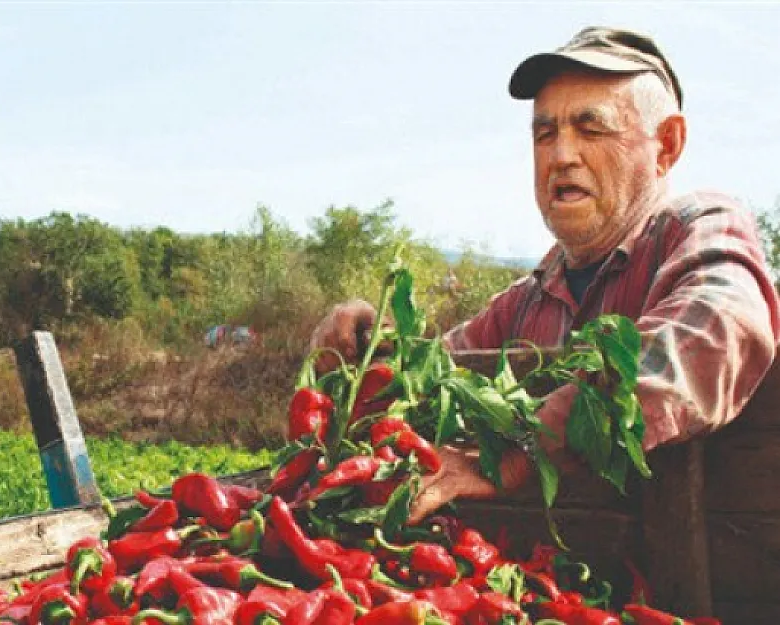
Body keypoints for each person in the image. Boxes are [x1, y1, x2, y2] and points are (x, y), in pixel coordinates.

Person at [309, 26, 780, 524]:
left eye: (591, 128)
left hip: (686, 587)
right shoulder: (529, 300)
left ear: (666, 144)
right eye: (545, 132)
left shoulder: (698, 228)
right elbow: (434, 382)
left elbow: (712, 328)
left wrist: (522, 453)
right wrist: (367, 351)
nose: (561, 155)